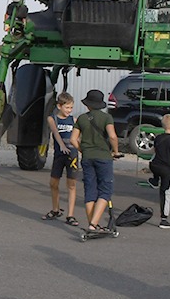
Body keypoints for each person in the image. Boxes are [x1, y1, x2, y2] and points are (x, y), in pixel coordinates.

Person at [70, 89, 122, 233]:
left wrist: (82, 150)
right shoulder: (106, 118)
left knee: (90, 191)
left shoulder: (81, 118)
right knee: (105, 191)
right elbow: (112, 136)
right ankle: (93, 224)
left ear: (88, 105)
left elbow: (73, 139)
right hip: (103, 157)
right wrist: (116, 151)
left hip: (87, 158)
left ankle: (91, 224)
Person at [42, 92, 79, 226]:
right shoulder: (53, 119)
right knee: (53, 183)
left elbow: (78, 136)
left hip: (72, 155)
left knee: (71, 185)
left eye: (71, 108)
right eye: (67, 107)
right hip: (59, 154)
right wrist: (62, 145)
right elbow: (56, 133)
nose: (69, 110)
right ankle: (55, 209)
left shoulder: (74, 120)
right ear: (59, 106)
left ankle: (70, 215)